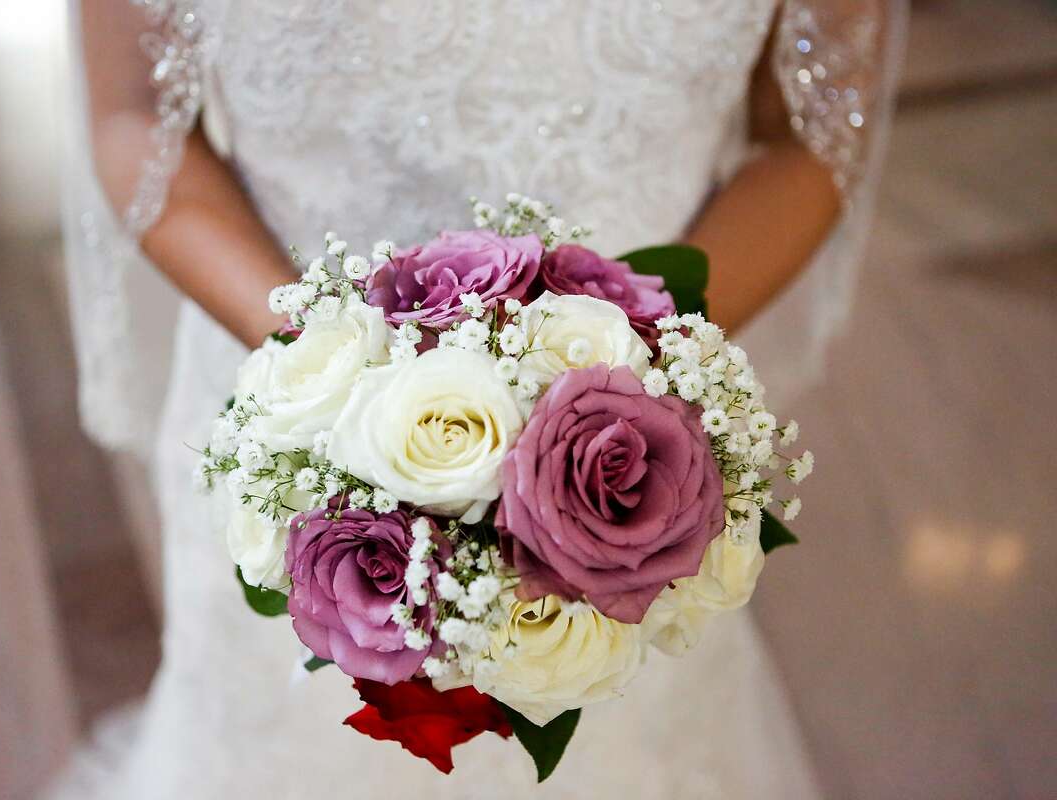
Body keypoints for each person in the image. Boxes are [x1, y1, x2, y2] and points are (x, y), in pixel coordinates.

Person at [49, 2, 904, 797]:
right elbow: (136, 113)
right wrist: (332, 378)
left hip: (629, 463)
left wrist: (634, 378)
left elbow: (812, 130)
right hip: (294, 399)